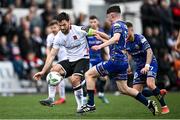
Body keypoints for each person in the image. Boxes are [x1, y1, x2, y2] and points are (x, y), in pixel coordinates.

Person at [78, 6, 159, 116]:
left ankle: (90, 104)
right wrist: (99, 35)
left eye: (108, 17)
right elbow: (114, 39)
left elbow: (115, 39)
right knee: (124, 89)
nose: (108, 19)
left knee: (89, 74)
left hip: (115, 60)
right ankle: (149, 103)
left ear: (112, 15)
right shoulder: (124, 26)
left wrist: (100, 46)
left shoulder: (116, 25)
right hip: (123, 62)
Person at [33, 12, 89, 112]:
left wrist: (112, 40)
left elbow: (97, 33)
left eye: (64, 25)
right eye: (60, 25)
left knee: (74, 80)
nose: (62, 27)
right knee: (54, 70)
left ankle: (80, 106)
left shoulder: (79, 29)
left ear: (69, 22)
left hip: (83, 59)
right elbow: (51, 55)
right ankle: (51, 98)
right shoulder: (57, 37)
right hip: (70, 60)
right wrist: (42, 71)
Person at [125, 22, 169, 114]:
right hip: (139, 67)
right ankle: (158, 92)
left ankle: (164, 107)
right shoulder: (126, 43)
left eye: (126, 32)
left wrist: (147, 66)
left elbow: (149, 52)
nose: (125, 34)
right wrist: (128, 65)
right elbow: (127, 54)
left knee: (150, 84)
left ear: (131, 30)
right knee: (136, 92)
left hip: (150, 63)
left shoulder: (140, 38)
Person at [39, 20, 66, 106]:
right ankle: (59, 97)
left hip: (67, 58)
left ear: (58, 27)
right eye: (51, 28)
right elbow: (48, 48)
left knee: (71, 79)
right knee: (56, 75)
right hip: (59, 59)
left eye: (55, 27)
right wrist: (48, 59)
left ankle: (56, 98)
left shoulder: (63, 35)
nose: (53, 29)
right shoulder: (50, 37)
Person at [87, 15, 110, 104]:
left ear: (98, 22)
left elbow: (107, 42)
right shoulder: (87, 32)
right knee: (89, 79)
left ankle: (101, 93)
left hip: (99, 59)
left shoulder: (101, 32)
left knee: (104, 78)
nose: (93, 24)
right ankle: (86, 99)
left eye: (94, 22)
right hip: (89, 60)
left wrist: (107, 54)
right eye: (91, 22)